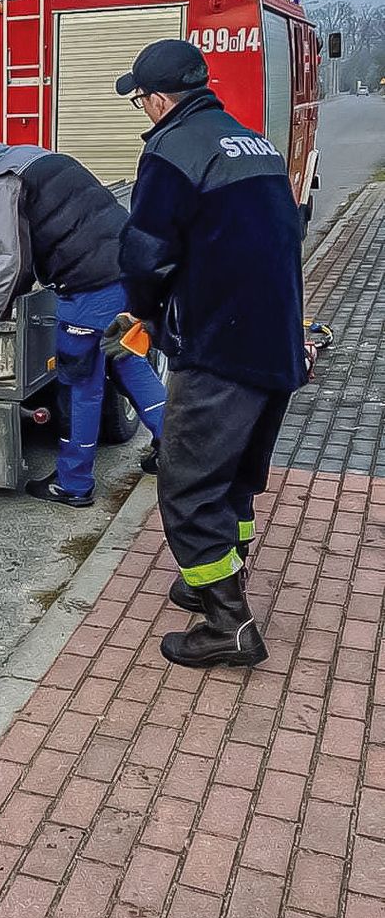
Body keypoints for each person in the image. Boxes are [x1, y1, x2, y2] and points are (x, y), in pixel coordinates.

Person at [107, 38, 307, 670]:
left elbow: (146, 255)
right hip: (274, 343)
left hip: (218, 348)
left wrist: (144, 309)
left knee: (188, 481)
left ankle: (229, 624)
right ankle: (210, 579)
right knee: (237, 476)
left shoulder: (172, 151)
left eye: (140, 100)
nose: (143, 112)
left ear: (160, 99)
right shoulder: (259, 145)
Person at [0, 132, 167, 508]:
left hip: (89, 286)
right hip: (128, 272)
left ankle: (73, 484)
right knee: (124, 359)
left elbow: (11, 262)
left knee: (79, 382)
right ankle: (176, 449)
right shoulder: (31, 157)